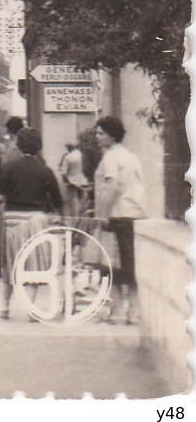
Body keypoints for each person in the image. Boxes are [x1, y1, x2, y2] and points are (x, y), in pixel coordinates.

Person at [93, 115, 147, 323]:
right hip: (134, 214)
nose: (98, 137)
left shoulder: (110, 158)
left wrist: (102, 214)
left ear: (112, 136)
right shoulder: (131, 157)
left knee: (111, 264)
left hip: (117, 215)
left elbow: (112, 186)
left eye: (101, 134)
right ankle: (133, 311)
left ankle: (116, 311)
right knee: (130, 264)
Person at [57, 140, 89, 219]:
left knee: (73, 201)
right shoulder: (82, 155)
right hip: (83, 180)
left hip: (72, 181)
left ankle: (76, 218)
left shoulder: (68, 157)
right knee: (82, 200)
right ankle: (83, 217)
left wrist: (66, 181)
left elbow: (64, 172)